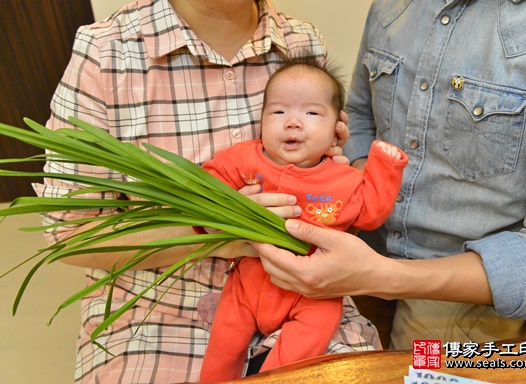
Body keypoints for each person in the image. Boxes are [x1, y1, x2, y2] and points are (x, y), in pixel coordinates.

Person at [34, 1, 382, 383]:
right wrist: (216, 229)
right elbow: (70, 235)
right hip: (158, 304)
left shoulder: (302, 42)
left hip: (300, 291)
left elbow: (333, 187)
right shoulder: (106, 52)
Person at [252, 0, 526, 351]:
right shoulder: (391, 8)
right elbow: (360, 114)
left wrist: (379, 275)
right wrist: (359, 192)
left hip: (457, 298)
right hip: (345, 255)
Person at [198, 56, 407, 382]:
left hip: (312, 293)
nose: (293, 122)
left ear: (336, 129)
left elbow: (371, 211)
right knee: (223, 345)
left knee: (310, 336)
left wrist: (385, 167)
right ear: (262, 120)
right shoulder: (243, 159)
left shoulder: (341, 178)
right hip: (247, 282)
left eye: (311, 113)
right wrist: (224, 208)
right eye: (278, 112)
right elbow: (207, 182)